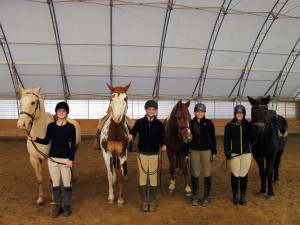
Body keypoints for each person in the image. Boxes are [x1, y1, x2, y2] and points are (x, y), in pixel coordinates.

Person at [27, 102, 76, 217]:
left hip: (65, 159)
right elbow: (46, 140)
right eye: (59, 110)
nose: (61, 112)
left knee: (67, 184)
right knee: (56, 184)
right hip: (53, 159)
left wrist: (71, 160)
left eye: (63, 111)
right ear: (56, 112)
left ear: (66, 112)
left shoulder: (71, 127)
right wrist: (34, 138)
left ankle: (67, 207)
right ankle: (58, 207)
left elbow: (72, 145)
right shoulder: (51, 126)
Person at [128, 100, 166, 212]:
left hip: (155, 154)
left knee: (153, 177)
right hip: (142, 153)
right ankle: (144, 202)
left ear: (155, 111)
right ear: (146, 110)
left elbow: (161, 138)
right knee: (143, 176)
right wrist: (130, 135)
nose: (151, 111)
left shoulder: (159, 124)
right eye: (149, 109)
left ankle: (152, 201)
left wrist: (163, 145)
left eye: (153, 109)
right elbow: (133, 132)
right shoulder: (140, 122)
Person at [224, 105, 254, 206]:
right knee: (235, 175)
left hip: (246, 154)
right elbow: (226, 140)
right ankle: (235, 195)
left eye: (241, 113)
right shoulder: (229, 125)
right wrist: (227, 152)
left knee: (244, 174)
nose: (240, 115)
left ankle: (243, 195)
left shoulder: (249, 126)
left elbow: (252, 138)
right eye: (238, 113)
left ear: (244, 114)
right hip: (234, 154)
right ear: (235, 114)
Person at [187, 103, 217, 207]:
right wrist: (186, 153)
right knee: (195, 173)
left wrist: (214, 152)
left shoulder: (209, 123)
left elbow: (213, 138)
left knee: (207, 173)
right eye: (198, 111)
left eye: (202, 111)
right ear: (195, 112)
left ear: (204, 112)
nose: (200, 113)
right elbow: (187, 139)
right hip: (194, 150)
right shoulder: (191, 123)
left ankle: (206, 196)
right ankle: (195, 196)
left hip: (206, 151)